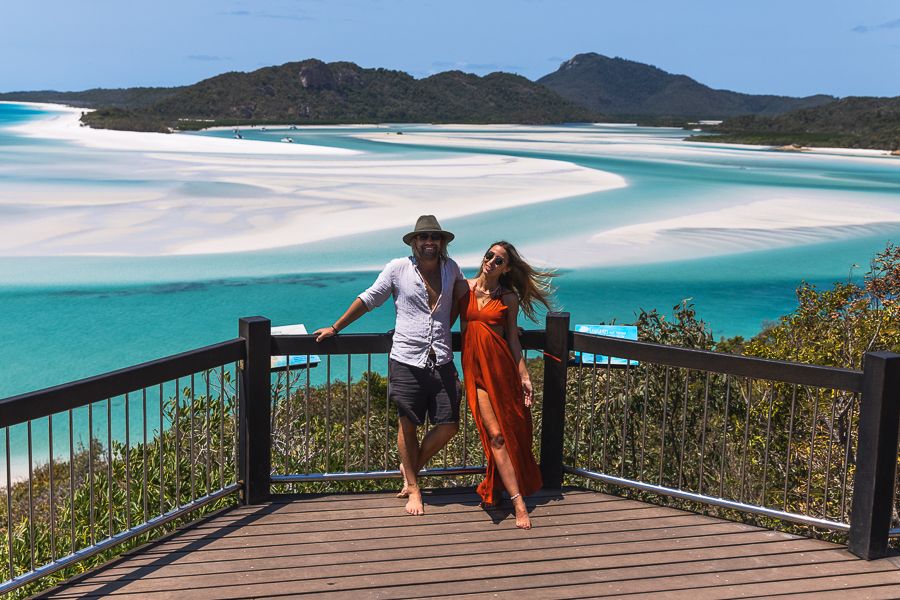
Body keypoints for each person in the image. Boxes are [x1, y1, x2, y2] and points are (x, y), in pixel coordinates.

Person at [314, 215, 465, 516]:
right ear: (414, 242)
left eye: (434, 237)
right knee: (407, 424)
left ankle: (410, 470)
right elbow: (369, 299)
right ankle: (415, 488)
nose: (429, 242)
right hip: (406, 358)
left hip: (442, 358)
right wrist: (336, 327)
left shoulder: (452, 269)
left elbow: (466, 300)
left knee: (449, 424)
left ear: (442, 242)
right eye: (423, 237)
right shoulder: (398, 268)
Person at [456, 241, 554, 529]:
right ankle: (518, 501)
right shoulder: (463, 289)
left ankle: (499, 488)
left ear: (507, 268)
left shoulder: (508, 298)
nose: (492, 262)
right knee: (496, 435)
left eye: (499, 260)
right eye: (490, 256)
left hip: (502, 372)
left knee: (514, 431)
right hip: (475, 373)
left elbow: (512, 338)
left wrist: (524, 376)